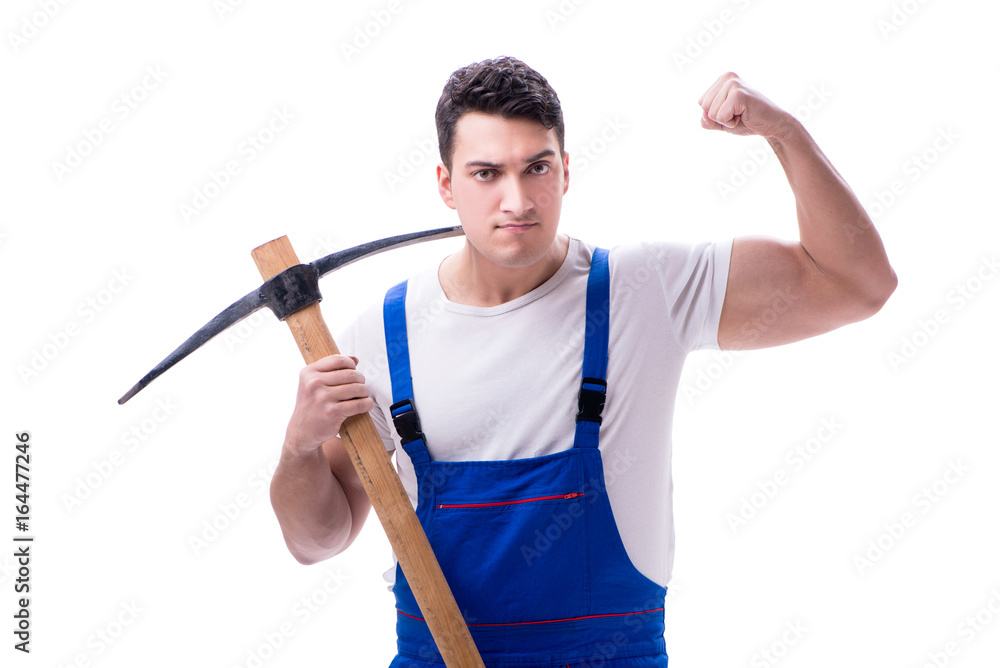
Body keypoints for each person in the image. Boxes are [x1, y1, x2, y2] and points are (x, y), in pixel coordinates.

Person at [269, 56, 897, 666]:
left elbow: (857, 285)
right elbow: (317, 540)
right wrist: (299, 447)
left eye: (536, 168)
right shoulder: (381, 336)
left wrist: (785, 133)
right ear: (445, 185)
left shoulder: (645, 289)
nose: (517, 200)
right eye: (486, 173)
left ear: (565, 171)